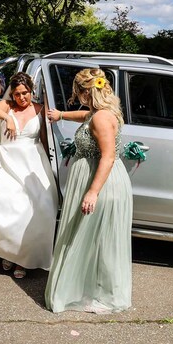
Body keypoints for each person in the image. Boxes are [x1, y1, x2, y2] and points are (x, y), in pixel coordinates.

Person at [44, 68, 133, 314]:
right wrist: (60, 115)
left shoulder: (102, 118)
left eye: (77, 92)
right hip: (97, 180)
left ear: (85, 92)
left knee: (92, 237)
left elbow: (108, 156)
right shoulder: (98, 113)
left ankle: (98, 294)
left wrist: (92, 192)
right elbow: (84, 116)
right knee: (92, 238)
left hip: (101, 183)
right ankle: (89, 288)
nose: (77, 97)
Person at [0, 72, 58, 279]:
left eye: (25, 93)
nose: (21, 98)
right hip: (7, 162)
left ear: (31, 91)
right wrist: (8, 117)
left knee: (39, 207)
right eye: (17, 94)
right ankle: (9, 252)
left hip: (32, 163)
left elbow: (44, 139)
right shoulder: (7, 106)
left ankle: (24, 259)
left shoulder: (39, 109)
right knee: (7, 206)